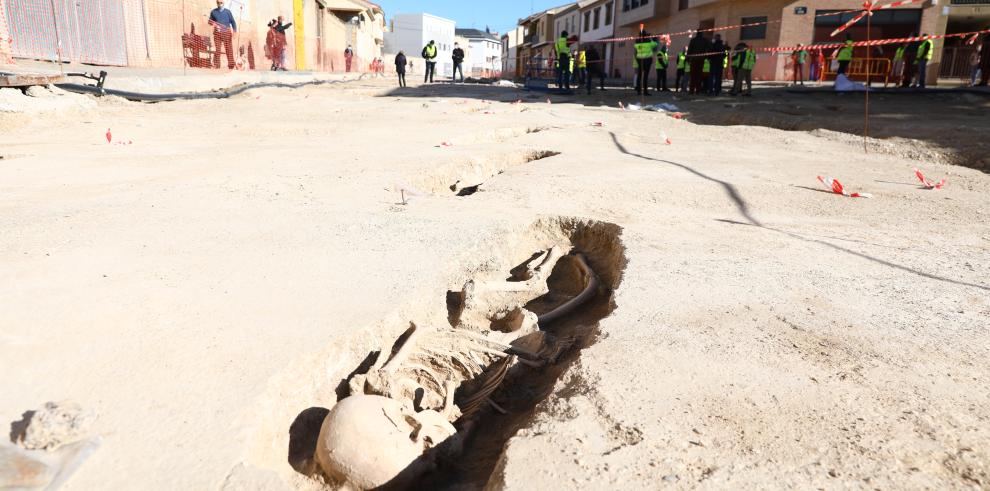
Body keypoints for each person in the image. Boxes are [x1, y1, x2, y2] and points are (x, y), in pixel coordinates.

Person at [209, 0, 237, 69]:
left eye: (221, 2)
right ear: (216, 3)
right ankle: (217, 65)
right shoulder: (213, 12)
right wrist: (213, 23)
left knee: (229, 49)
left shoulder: (228, 12)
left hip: (226, 32)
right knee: (217, 50)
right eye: (218, 3)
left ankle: (231, 65)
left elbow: (233, 22)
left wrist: (234, 31)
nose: (220, 4)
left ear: (223, 3)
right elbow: (209, 21)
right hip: (217, 33)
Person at [633, 30, 657, 95]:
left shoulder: (637, 42)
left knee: (639, 75)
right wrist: (651, 38)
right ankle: (645, 92)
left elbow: (635, 49)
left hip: (639, 60)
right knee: (645, 76)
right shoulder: (649, 41)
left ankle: (638, 91)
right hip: (647, 60)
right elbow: (655, 44)